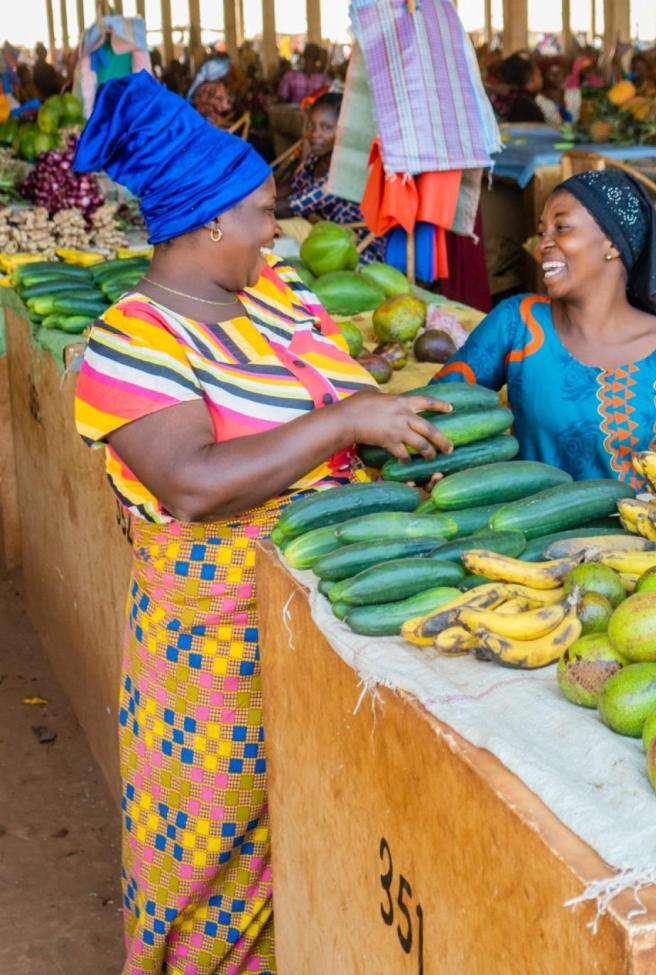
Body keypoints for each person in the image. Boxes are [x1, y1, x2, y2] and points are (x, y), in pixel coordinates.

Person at [70, 72, 452, 975]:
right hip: (215, 643)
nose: (277, 228)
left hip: (327, 606)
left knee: (308, 836)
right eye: (263, 213)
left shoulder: (274, 293)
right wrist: (340, 424)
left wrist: (388, 401)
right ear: (208, 225)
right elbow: (193, 482)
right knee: (211, 851)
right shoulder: (132, 342)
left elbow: (344, 376)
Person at [437, 170, 656, 483]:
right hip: (525, 525)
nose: (543, 244)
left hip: (640, 531)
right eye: (542, 231)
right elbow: (438, 407)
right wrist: (446, 466)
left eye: (561, 228)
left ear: (612, 243)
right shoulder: (518, 322)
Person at [276, 93, 382, 263]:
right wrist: (254, 196)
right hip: (326, 236)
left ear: (343, 131)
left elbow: (291, 206)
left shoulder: (345, 170)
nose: (314, 134)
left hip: (356, 252)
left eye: (325, 127)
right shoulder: (318, 157)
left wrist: (248, 208)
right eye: (311, 125)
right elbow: (294, 185)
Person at [491, 53, 547, 123]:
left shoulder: (502, 99)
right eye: (539, 75)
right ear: (532, 79)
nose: (542, 79)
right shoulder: (524, 104)